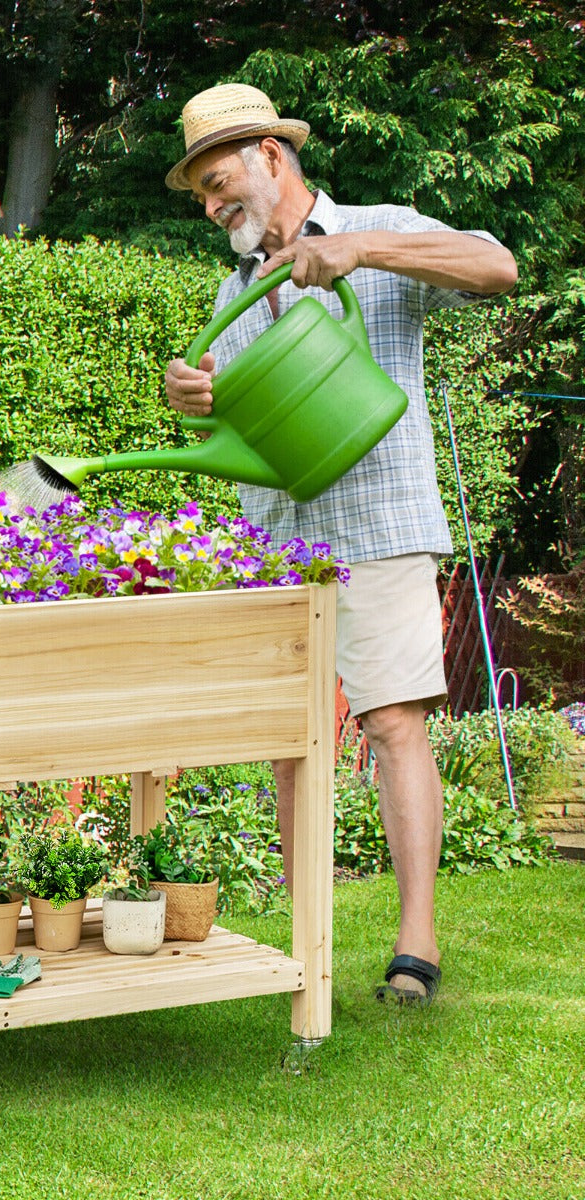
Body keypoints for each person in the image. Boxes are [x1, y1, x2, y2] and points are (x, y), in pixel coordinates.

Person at [162, 82, 517, 1006]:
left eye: (220, 181)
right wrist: (190, 398)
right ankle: (307, 935)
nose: (211, 206)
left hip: (380, 522)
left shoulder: (376, 226)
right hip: (277, 539)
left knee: (394, 720)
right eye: (201, 192)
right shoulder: (231, 290)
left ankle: (416, 943)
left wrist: (358, 250)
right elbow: (233, 431)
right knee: (290, 743)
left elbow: (497, 266)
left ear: (272, 157)